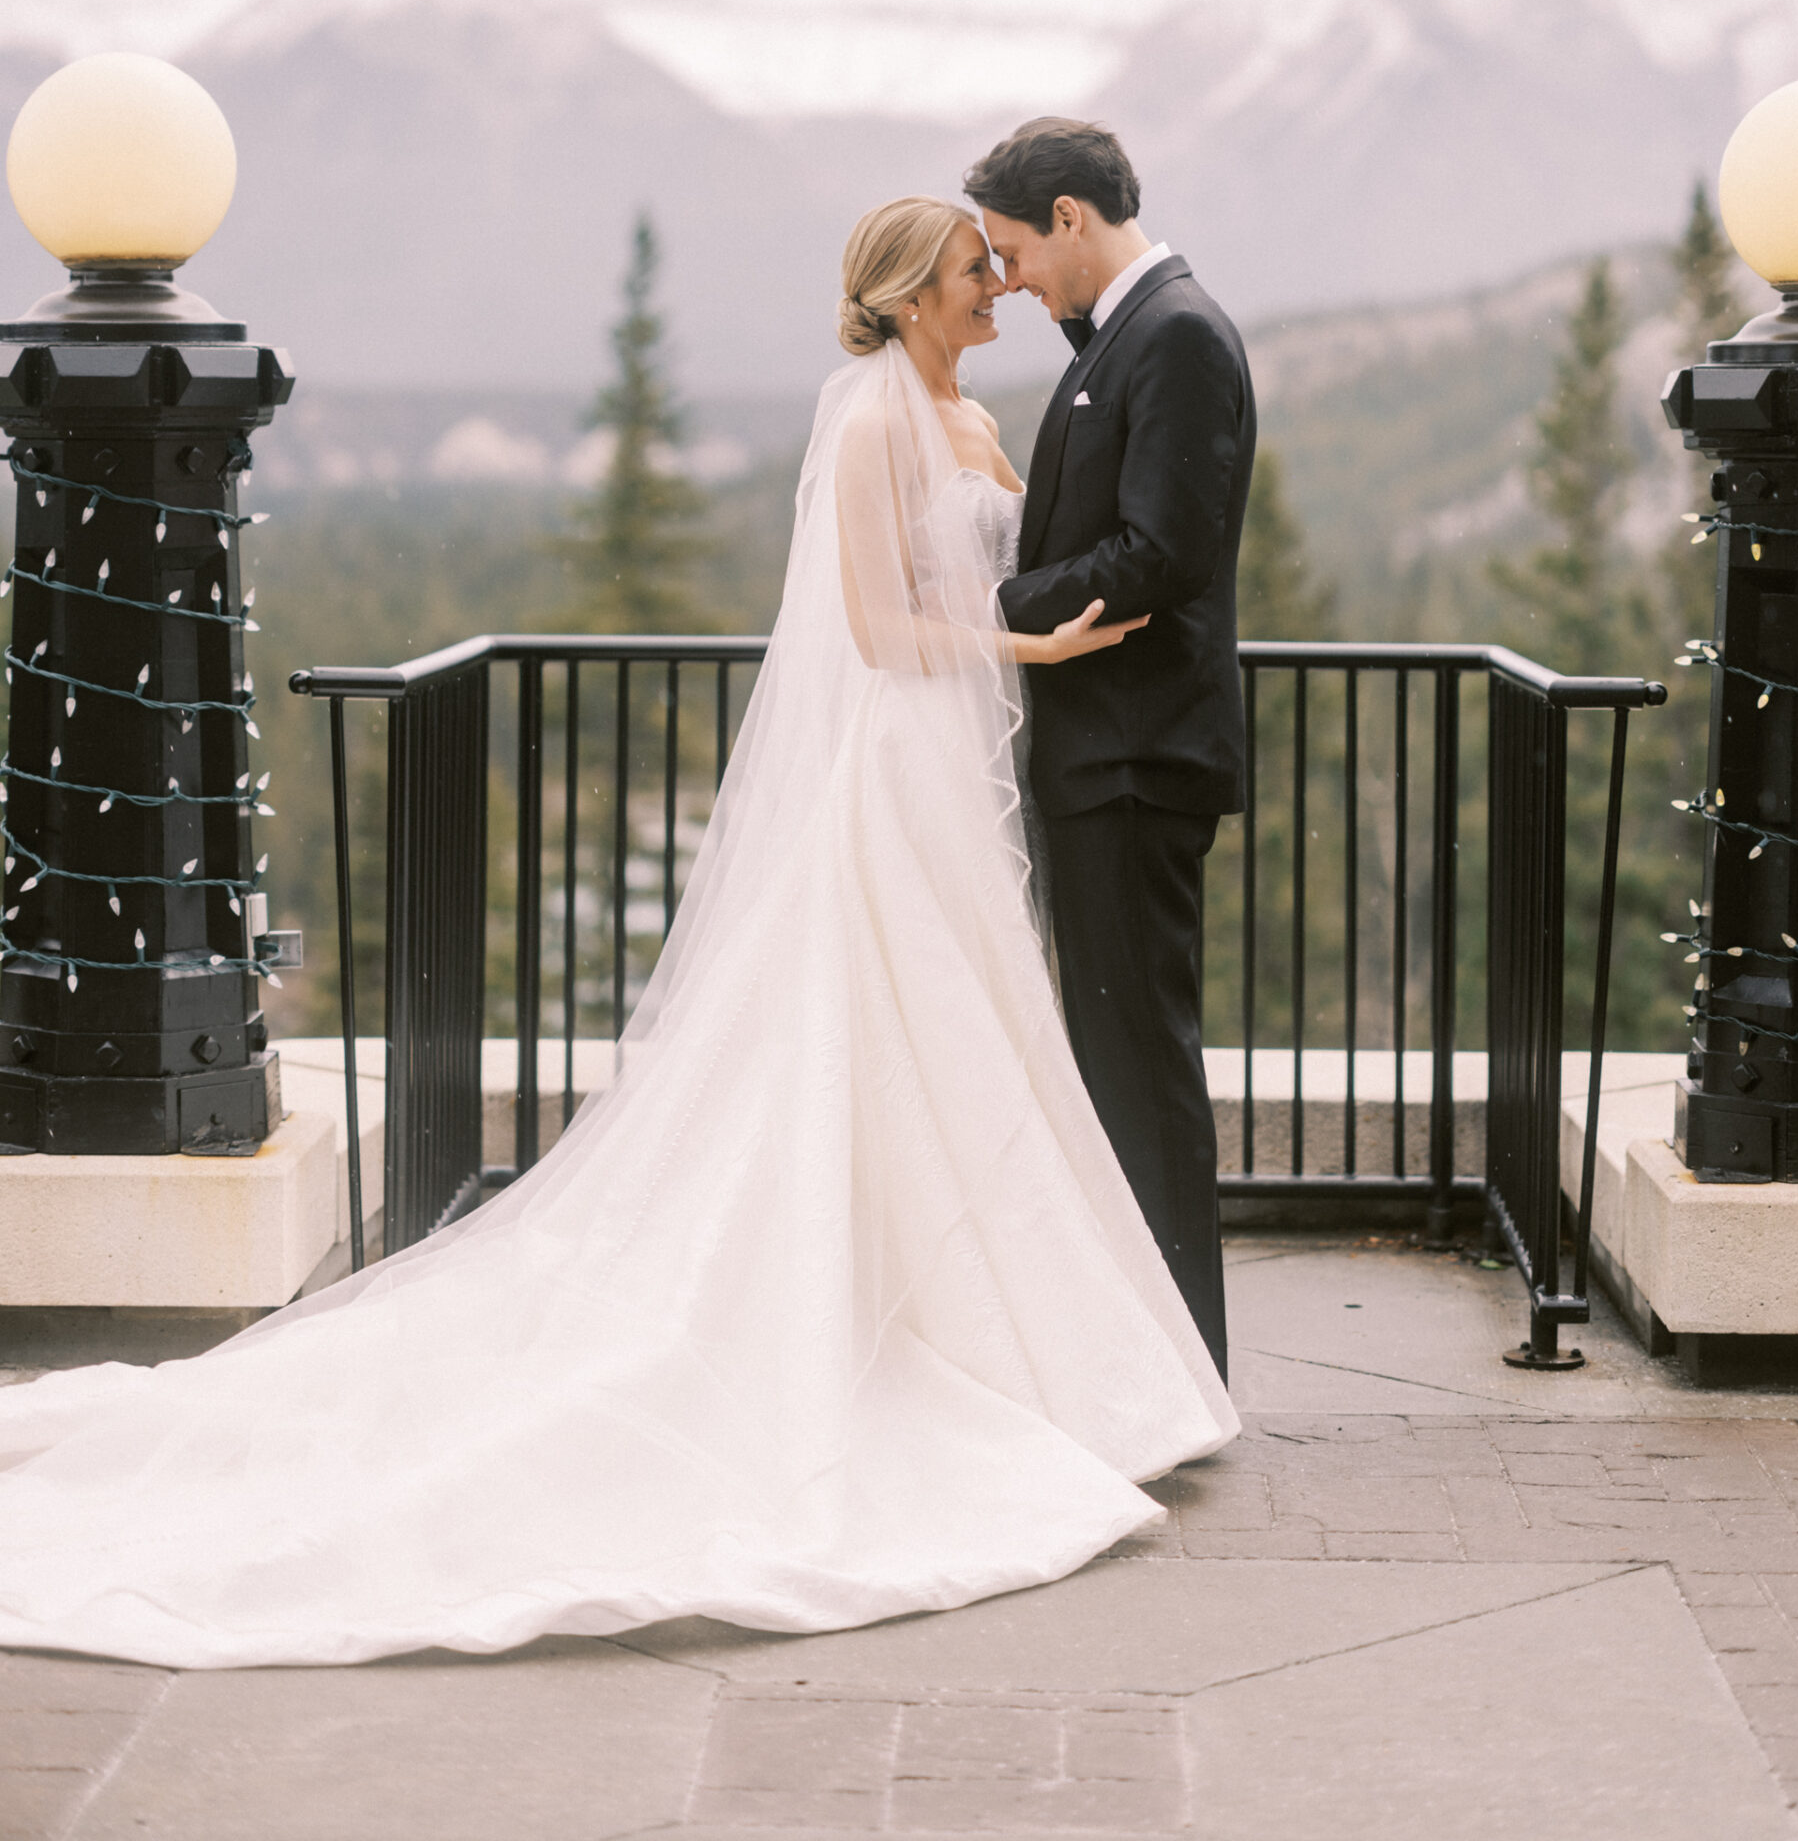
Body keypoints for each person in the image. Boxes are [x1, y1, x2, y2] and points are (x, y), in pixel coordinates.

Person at [0, 197, 1235, 1671]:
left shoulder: (969, 415)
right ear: (914, 293)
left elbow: (989, 563)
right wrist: (1025, 645)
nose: (998, 291)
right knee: (897, 1034)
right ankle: (894, 1336)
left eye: (997, 267)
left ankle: (1011, 1345)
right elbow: (877, 626)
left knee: (974, 1044)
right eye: (977, 272)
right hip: (895, 768)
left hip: (964, 787)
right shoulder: (861, 422)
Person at [965, 122, 1256, 1380]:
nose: (1012, 279)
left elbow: (1156, 559)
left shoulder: (1176, 334)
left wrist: (976, 616)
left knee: (1140, 1067)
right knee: (1115, 1064)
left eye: (1019, 250)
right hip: (1110, 761)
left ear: (1073, 216)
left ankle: (1177, 1366)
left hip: (1136, 762)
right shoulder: (1134, 338)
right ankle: (1146, 1356)